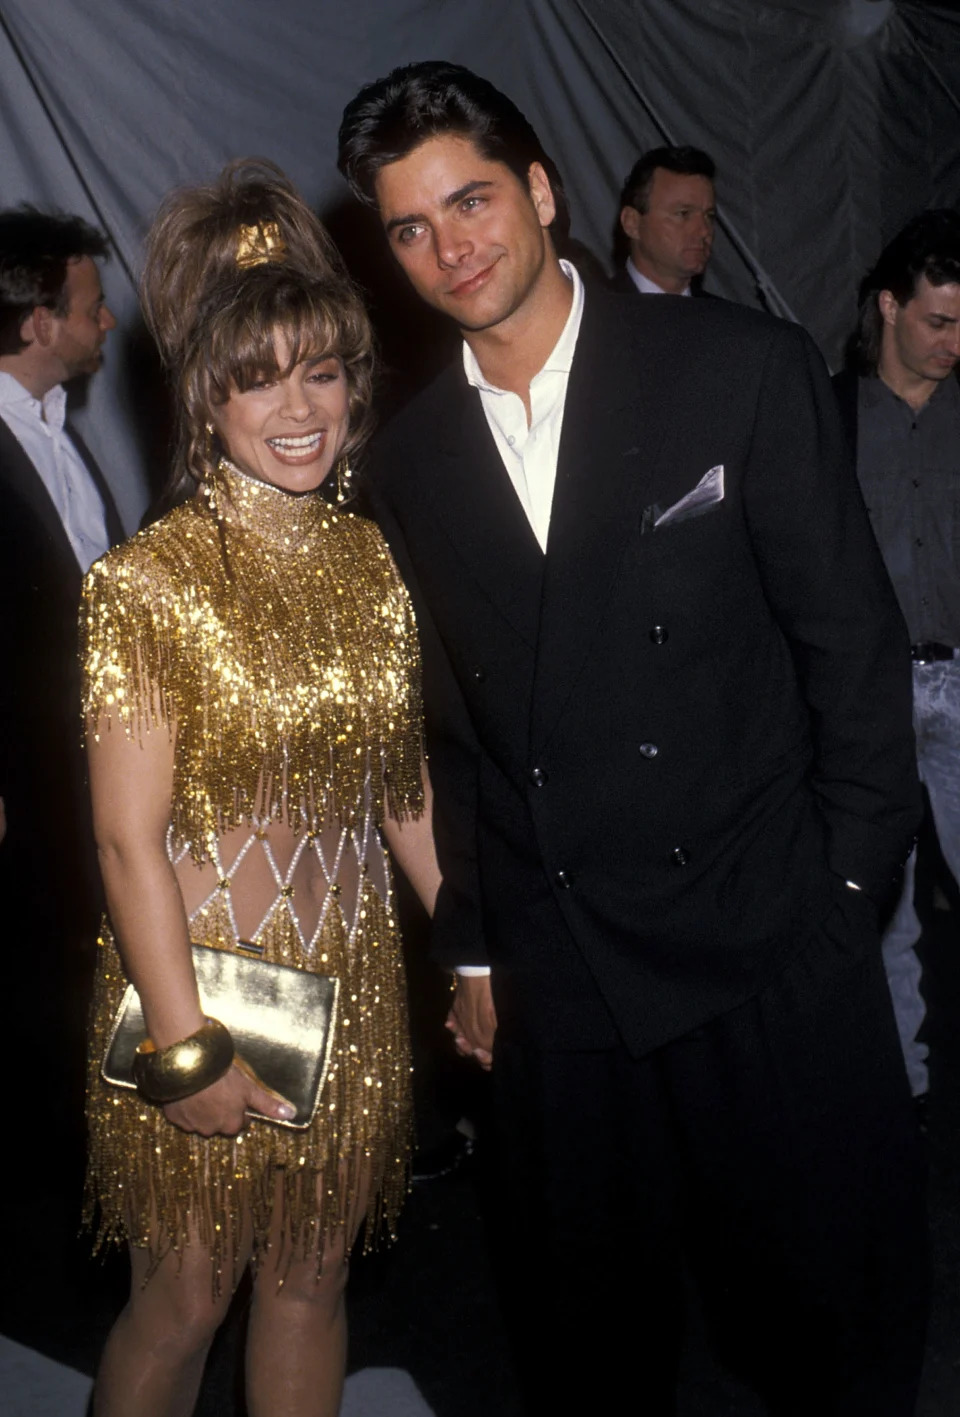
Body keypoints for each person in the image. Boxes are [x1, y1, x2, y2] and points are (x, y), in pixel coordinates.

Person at [338, 61, 927, 1416]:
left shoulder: (738, 369)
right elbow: (463, 732)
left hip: (764, 929)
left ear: (542, 191)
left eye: (472, 199)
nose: (450, 246)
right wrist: (473, 940)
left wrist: (844, 896)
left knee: (827, 1318)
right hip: (567, 965)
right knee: (589, 1338)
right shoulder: (411, 462)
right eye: (411, 227)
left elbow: (852, 652)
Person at [82, 160, 440, 1417]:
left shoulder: (375, 564)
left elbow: (405, 797)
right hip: (199, 986)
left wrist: (488, 957)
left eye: (322, 371)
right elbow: (126, 844)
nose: (297, 407)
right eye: (256, 377)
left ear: (355, 383)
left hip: (357, 989)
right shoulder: (147, 583)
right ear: (205, 399)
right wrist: (185, 1053)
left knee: (311, 1281)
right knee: (184, 1298)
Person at [0, 207, 122, 1157]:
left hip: (87, 775)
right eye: (91, 305)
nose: (107, 321)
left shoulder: (57, 434)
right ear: (40, 322)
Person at [833, 209, 960, 1104]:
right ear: (888, 305)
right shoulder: (829, 416)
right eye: (939, 320)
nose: (956, 342)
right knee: (884, 910)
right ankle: (902, 1095)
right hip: (869, 695)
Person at [612, 144, 716, 295]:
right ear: (632, 223)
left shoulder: (729, 317)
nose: (704, 231)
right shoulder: (591, 312)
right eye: (683, 213)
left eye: (709, 216)